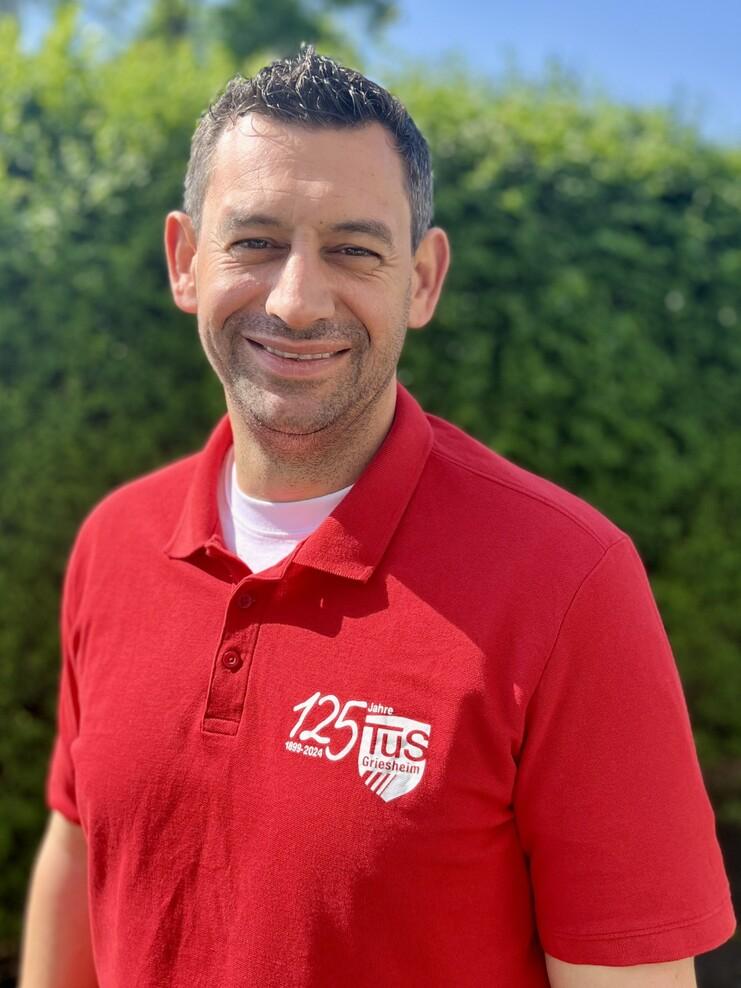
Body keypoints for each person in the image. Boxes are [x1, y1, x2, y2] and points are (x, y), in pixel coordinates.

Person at [20, 47, 735, 988]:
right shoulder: (114, 540)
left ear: (423, 280)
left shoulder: (569, 582)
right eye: (255, 241)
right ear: (185, 261)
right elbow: (80, 853)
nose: (296, 299)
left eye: (354, 250)